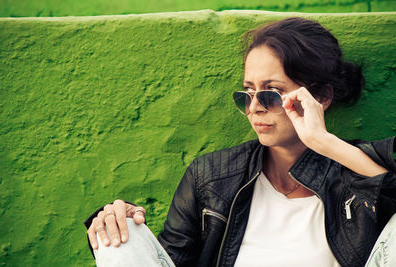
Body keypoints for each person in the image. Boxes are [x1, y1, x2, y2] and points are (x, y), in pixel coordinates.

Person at [85, 17, 396, 266]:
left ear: (321, 97)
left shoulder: (356, 166)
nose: (254, 107)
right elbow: (170, 259)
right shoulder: (211, 176)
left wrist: (323, 141)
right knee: (118, 234)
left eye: (270, 93)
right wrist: (117, 226)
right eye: (247, 93)